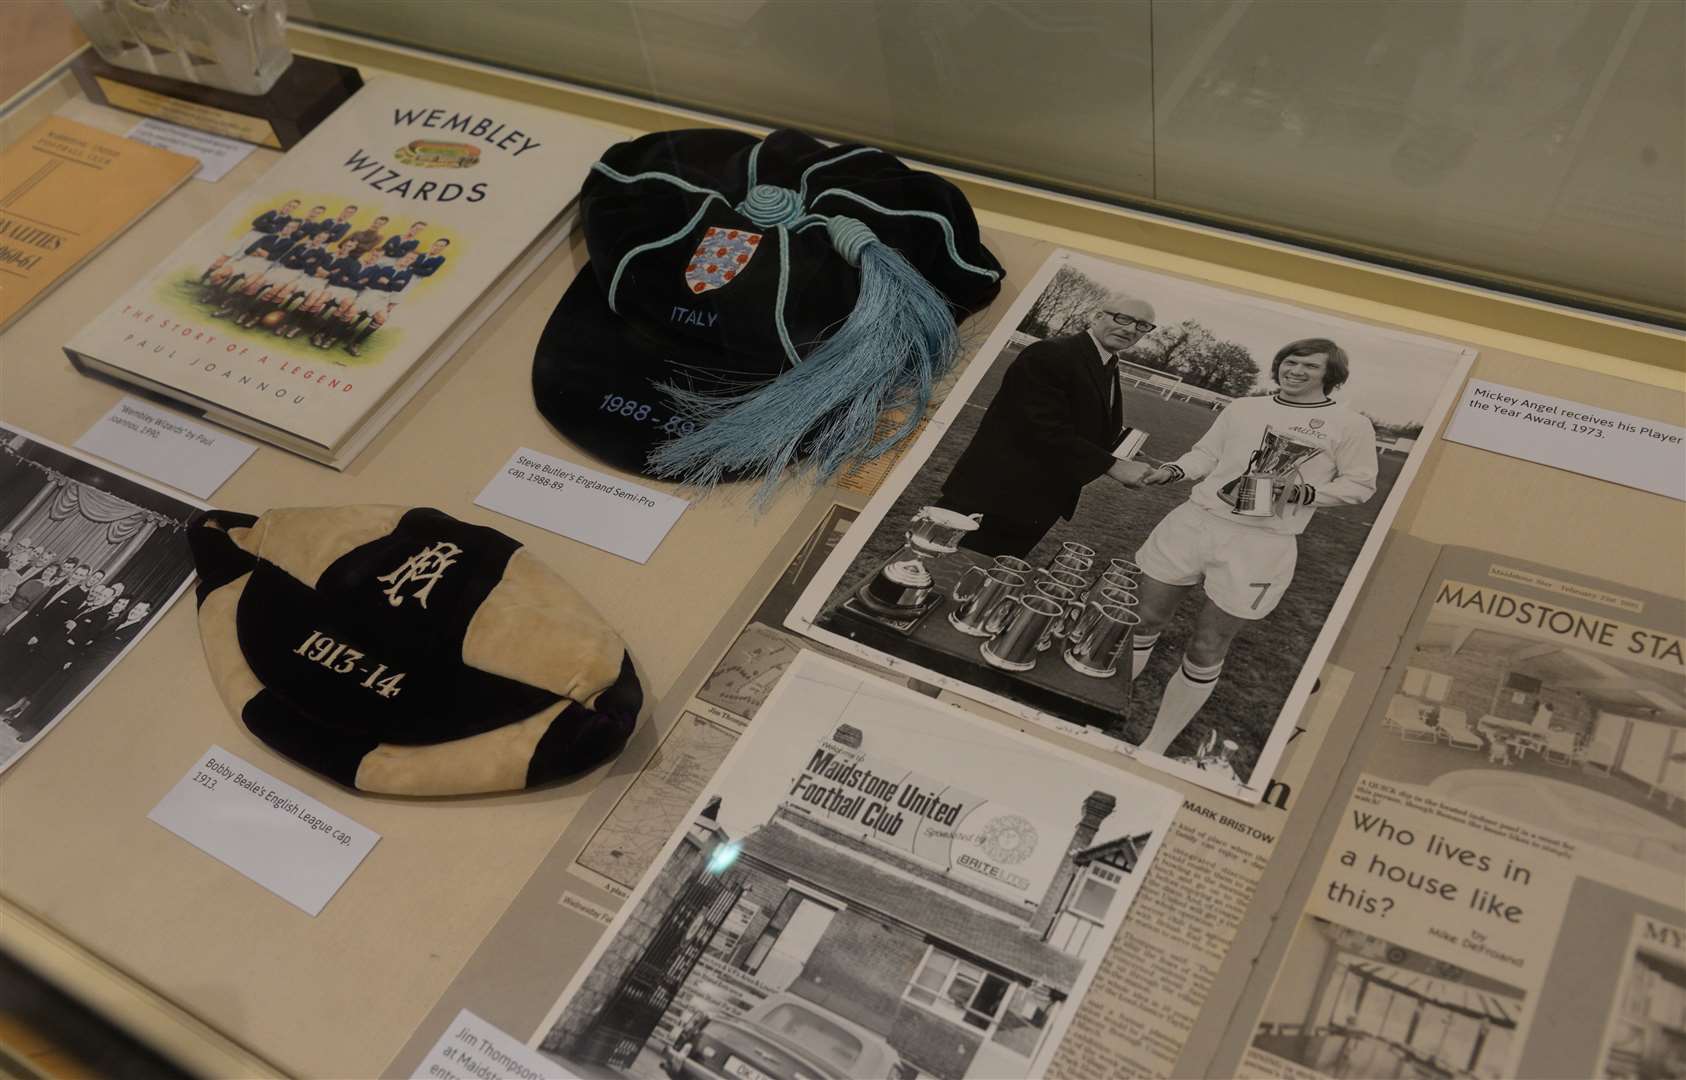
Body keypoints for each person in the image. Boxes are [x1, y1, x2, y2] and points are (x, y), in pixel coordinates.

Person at [1127, 338, 1378, 756]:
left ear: (1329, 376)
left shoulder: (1350, 425)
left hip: (1262, 543)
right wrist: (1174, 470)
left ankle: (1156, 744)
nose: (1295, 371)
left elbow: (1360, 485)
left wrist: (1298, 493)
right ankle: (1106, 704)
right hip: (1195, 523)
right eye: (1289, 361)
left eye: (1310, 367)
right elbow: (1207, 453)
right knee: (1144, 618)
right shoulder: (1245, 408)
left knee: (1208, 645)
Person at [935, 294, 1159, 557]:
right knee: (936, 573)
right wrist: (1112, 465)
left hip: (1037, 504)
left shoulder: (1107, 361)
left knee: (977, 584)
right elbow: (1037, 426)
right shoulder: (1051, 353)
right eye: (1123, 318)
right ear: (1097, 316)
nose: (1131, 329)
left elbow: (1072, 417)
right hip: (993, 496)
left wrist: (1116, 447)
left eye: (1142, 325)